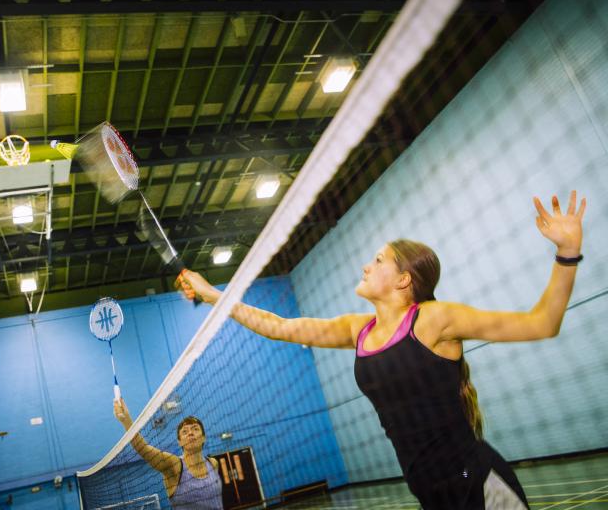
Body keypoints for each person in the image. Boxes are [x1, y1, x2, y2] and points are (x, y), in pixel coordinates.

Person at [179, 191, 586, 509]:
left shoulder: (433, 320)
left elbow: (542, 322)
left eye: (377, 260)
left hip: (479, 487)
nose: (366, 267)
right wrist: (214, 294)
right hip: (429, 495)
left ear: (404, 279)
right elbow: (280, 327)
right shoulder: (360, 331)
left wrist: (567, 251)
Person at [114, 397, 223, 509]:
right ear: (179, 442)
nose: (190, 433)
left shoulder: (213, 463)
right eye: (185, 431)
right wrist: (127, 421)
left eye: (195, 429)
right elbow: (144, 449)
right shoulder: (174, 465)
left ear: (203, 437)